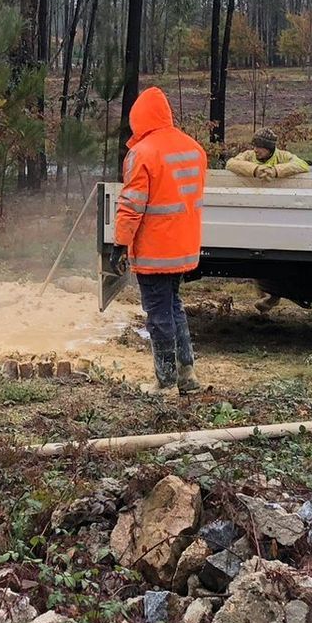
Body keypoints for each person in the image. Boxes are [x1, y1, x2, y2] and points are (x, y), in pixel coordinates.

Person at [113, 86, 209, 394]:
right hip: (183, 248)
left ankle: (165, 380)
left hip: (155, 251)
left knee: (158, 316)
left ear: (139, 118)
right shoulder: (193, 148)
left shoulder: (141, 153)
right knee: (174, 307)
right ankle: (188, 374)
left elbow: (131, 205)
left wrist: (118, 245)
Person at [226, 128, 310, 180]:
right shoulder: (248, 155)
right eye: (254, 146)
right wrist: (255, 170)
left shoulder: (282, 156)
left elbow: (302, 165)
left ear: (269, 148)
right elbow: (230, 164)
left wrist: (275, 171)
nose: (255, 150)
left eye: (259, 147)